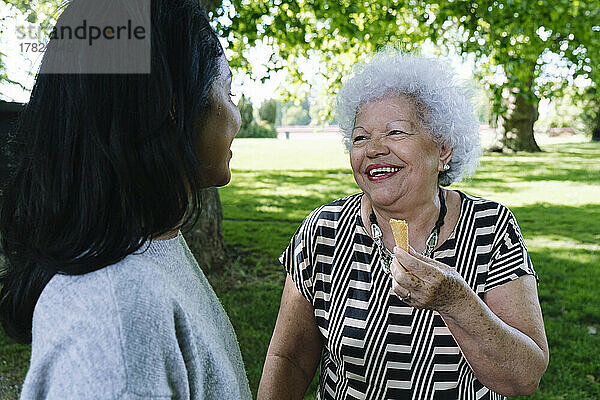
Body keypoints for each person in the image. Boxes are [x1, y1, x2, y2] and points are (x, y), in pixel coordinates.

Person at [258, 49, 549, 400]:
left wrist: (457, 302)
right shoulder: (323, 231)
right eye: (360, 137)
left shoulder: (490, 226)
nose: (374, 149)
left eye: (395, 132)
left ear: (442, 149)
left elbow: (523, 379)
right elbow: (288, 359)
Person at [0, 0, 251, 398]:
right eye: (230, 92)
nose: (238, 117)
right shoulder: (118, 316)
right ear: (171, 108)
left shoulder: (150, 241)